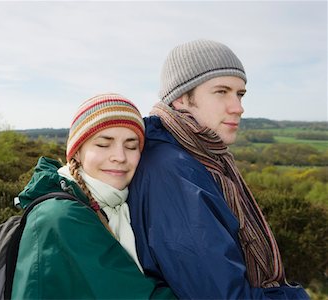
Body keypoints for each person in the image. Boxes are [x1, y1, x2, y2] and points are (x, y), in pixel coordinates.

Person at [128, 39, 309, 299]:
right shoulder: (173, 171)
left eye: (240, 94)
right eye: (221, 92)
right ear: (180, 98)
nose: (238, 107)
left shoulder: (200, 157)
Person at [11, 93, 176, 299]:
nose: (120, 157)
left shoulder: (115, 205)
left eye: (131, 145)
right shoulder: (61, 217)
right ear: (77, 152)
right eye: (103, 144)